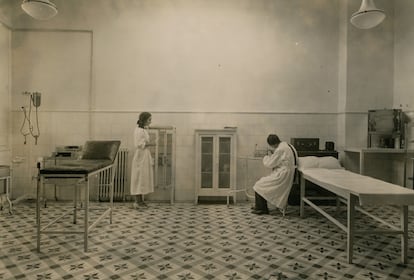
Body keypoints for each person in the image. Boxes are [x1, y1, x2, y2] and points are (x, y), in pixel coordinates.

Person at [251, 134, 297, 215]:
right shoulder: (288, 145)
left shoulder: (280, 149)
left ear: (273, 144)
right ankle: (259, 206)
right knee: (262, 183)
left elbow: (270, 164)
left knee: (259, 184)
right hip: (289, 173)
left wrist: (265, 157)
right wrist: (273, 154)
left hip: (283, 176)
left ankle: (261, 209)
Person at [130, 112, 154, 208]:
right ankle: (137, 201)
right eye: (149, 120)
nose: (150, 122)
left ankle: (141, 201)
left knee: (143, 178)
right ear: (144, 120)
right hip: (141, 155)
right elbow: (139, 144)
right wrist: (152, 144)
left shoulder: (142, 129)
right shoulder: (139, 130)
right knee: (139, 178)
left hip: (144, 155)